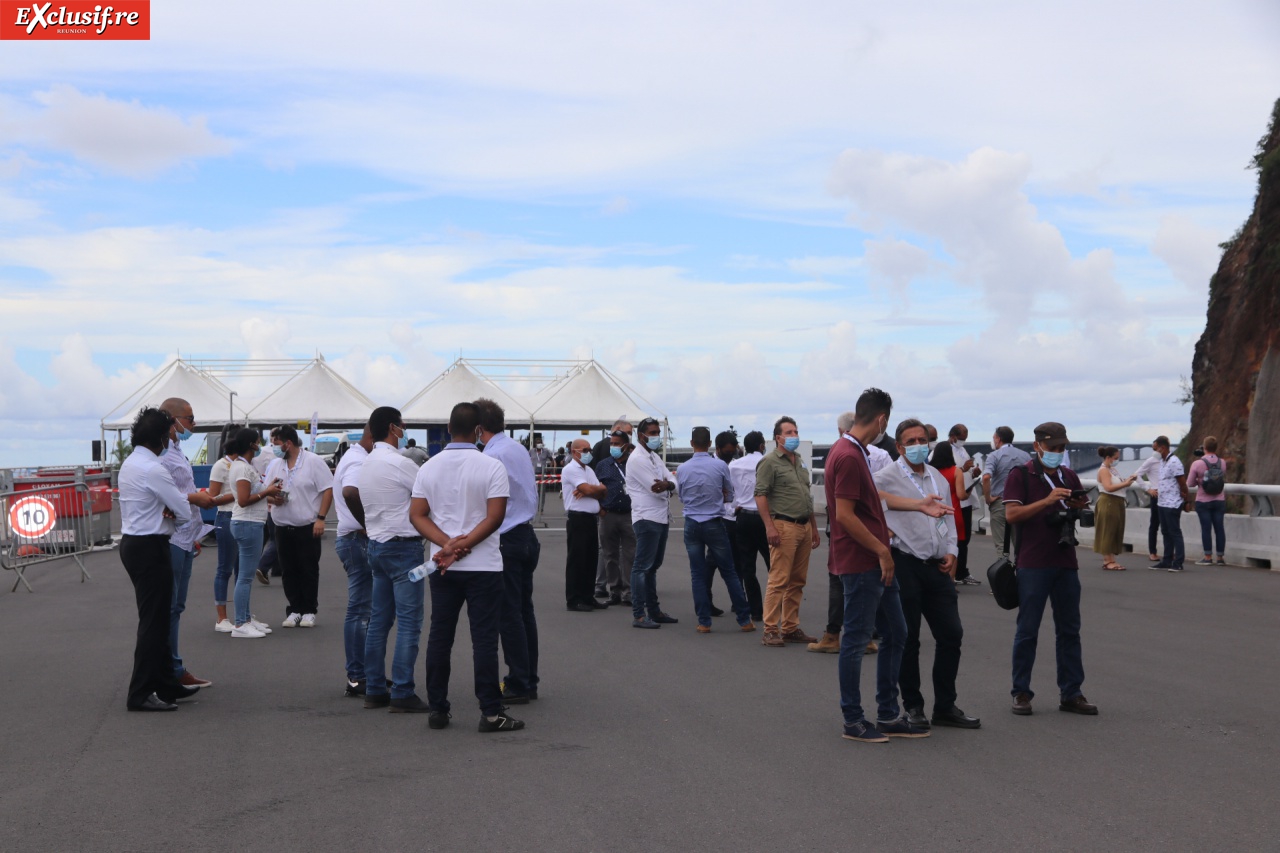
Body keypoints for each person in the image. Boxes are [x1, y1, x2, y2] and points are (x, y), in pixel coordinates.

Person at [827, 389, 931, 742]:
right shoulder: (848, 455)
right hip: (863, 561)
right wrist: (882, 551)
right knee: (856, 640)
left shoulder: (855, 451)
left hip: (875, 560)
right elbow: (845, 516)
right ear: (882, 419)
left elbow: (871, 501)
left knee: (897, 632)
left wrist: (917, 505)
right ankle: (853, 719)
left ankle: (887, 713)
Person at [415, 402, 522, 732]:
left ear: (449, 428)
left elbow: (417, 515)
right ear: (478, 430)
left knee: (439, 636)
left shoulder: (428, 467)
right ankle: (490, 712)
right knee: (484, 640)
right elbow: (495, 517)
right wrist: (463, 545)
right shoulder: (491, 466)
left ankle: (437, 709)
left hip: (443, 565)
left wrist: (447, 544)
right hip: (484, 566)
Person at [876, 418, 980, 731]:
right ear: (899, 447)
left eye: (923, 440)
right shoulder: (885, 477)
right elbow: (870, 508)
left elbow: (948, 519)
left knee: (951, 634)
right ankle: (913, 705)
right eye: (911, 441)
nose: (919, 446)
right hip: (905, 563)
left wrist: (952, 551)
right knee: (908, 639)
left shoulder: (937, 478)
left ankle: (945, 706)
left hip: (937, 566)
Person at [1003, 421, 1097, 717]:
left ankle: (1072, 692)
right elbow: (1011, 514)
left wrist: (1079, 506)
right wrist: (1047, 501)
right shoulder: (1021, 475)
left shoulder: (1069, 475)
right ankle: (1021, 692)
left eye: (1062, 447)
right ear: (1037, 446)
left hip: (1065, 561)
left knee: (1070, 630)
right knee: (1027, 630)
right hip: (1033, 562)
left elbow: (1081, 509)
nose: (1057, 451)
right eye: (1052, 447)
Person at [116, 406, 199, 711]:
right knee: (154, 623)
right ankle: (140, 692)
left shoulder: (131, 463)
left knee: (158, 618)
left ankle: (166, 683)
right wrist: (172, 516)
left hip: (134, 543)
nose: (171, 440)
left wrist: (167, 511)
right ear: (161, 438)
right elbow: (183, 511)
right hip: (151, 546)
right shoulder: (154, 468)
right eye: (168, 435)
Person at [353, 407, 428, 712]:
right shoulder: (401, 463)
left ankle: (374, 688)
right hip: (404, 548)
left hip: (377, 546)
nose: (404, 430)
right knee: (409, 623)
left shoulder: (366, 463)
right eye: (402, 425)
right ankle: (402, 690)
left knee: (379, 622)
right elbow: (428, 495)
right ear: (393, 428)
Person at [475, 398, 541, 705]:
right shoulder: (515, 448)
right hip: (524, 533)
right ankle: (528, 678)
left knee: (509, 614)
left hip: (507, 538)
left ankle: (518, 682)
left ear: (479, 428)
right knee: (524, 612)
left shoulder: (491, 456)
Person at [810, 411, 891, 655]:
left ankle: (838, 634)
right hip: (869, 526)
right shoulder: (867, 454)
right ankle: (863, 634)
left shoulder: (841, 451)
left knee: (841, 580)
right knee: (866, 586)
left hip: (850, 530)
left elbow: (846, 510)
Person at [157, 398, 217, 689]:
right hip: (172, 538)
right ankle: (171, 669)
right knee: (169, 608)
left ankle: (174, 666)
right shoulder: (161, 454)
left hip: (185, 536)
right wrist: (195, 498)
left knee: (177, 607)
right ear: (173, 420)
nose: (193, 425)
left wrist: (195, 532)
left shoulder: (176, 449)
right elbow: (163, 494)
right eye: (190, 419)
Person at [676, 427, 754, 633]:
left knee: (697, 573)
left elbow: (681, 496)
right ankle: (744, 619)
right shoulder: (720, 466)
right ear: (710, 444)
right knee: (729, 571)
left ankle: (704, 621)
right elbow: (730, 494)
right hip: (714, 521)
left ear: (692, 443)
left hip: (692, 522)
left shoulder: (683, 468)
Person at [755, 416, 821, 647]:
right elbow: (760, 494)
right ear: (778, 437)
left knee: (797, 580)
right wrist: (769, 526)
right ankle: (770, 629)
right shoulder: (769, 462)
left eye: (796, 431)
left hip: (803, 525)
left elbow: (806, 496)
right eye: (789, 432)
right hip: (783, 525)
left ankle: (790, 627)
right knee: (779, 579)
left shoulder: (799, 461)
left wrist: (814, 527)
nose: (794, 436)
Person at [264, 425, 335, 627]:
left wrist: (321, 518)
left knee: (308, 569)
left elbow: (328, 490)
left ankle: (309, 610)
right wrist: (273, 499)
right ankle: (294, 609)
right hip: (282, 525)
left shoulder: (313, 462)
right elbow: (267, 491)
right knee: (288, 570)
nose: (274, 447)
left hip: (307, 525)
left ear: (288, 443)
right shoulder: (276, 464)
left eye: (276, 443)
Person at [334, 425, 375, 696]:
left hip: (353, 538)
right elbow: (350, 492)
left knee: (364, 610)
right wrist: (368, 524)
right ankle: (357, 676)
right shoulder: (358, 460)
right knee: (360, 610)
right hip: (356, 539)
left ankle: (364, 673)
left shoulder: (355, 456)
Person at [626, 417, 678, 629]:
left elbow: (672, 482)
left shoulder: (654, 457)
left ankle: (654, 611)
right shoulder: (637, 459)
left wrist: (669, 485)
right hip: (646, 517)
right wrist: (668, 486)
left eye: (658, 432)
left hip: (661, 516)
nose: (657, 436)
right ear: (641, 436)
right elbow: (655, 489)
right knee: (642, 567)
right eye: (653, 433)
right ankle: (639, 615)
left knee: (652, 566)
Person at [229, 429, 280, 639]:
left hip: (249, 523)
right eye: (258, 442)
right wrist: (267, 492)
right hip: (247, 523)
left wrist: (269, 493)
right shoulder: (242, 468)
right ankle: (240, 623)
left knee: (246, 576)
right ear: (251, 444)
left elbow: (252, 494)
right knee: (245, 577)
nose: (260, 445)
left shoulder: (244, 466)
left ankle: (246, 618)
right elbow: (243, 500)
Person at [561, 438, 607, 612]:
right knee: (577, 560)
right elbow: (589, 489)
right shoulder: (571, 469)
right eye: (585, 450)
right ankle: (574, 599)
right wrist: (593, 490)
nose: (589, 453)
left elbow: (603, 491)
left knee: (590, 559)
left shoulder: (588, 470)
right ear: (574, 452)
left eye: (589, 450)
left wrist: (595, 490)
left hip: (590, 518)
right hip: (578, 518)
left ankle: (588, 596)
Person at [729, 430, 770, 622]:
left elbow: (729, 490)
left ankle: (755, 610)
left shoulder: (734, 465)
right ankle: (776, 605)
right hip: (764, 517)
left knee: (747, 567)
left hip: (743, 516)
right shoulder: (768, 462)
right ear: (762, 446)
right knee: (773, 564)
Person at [207, 432, 244, 633]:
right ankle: (221, 618)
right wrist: (238, 493)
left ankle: (242, 615)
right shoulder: (221, 466)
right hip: (226, 517)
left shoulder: (243, 465)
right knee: (225, 569)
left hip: (242, 516)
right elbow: (212, 497)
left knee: (242, 570)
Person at [703, 430, 743, 616]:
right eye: (727, 451)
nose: (730, 454)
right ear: (717, 449)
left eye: (733, 451)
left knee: (737, 562)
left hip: (734, 518)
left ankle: (738, 602)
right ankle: (706, 601)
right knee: (712, 563)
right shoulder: (709, 466)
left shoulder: (734, 465)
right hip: (717, 518)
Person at [593, 427, 635, 606]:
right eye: (612, 444)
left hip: (629, 514)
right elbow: (595, 488)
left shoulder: (634, 463)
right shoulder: (603, 465)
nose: (614, 447)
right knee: (609, 554)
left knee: (629, 554)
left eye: (617, 444)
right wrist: (600, 509)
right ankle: (614, 590)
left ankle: (628, 591)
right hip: (608, 514)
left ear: (626, 445)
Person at [982, 427, 1031, 562]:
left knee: (1002, 547)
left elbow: (986, 477)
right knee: (1020, 544)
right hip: (1019, 503)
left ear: (998, 439)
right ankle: (1021, 569)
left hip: (1000, 502)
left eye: (994, 438)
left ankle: (1004, 570)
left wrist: (988, 498)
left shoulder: (994, 456)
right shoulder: (1025, 456)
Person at [927, 442, 968, 583]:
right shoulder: (956, 471)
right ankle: (951, 580)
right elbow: (961, 495)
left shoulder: (930, 471)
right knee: (953, 547)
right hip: (953, 512)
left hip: (934, 511)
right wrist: (968, 494)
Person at [1151, 435, 1190, 572]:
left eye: (1155, 449)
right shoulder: (1162, 461)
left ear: (1162, 448)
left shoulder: (1174, 462)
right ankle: (1167, 560)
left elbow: (1182, 483)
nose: (1154, 452)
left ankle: (1178, 562)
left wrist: (1186, 500)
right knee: (1165, 532)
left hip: (1173, 503)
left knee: (1175, 532)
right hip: (1162, 502)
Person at [1094, 446, 1137, 571]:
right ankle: (1107, 561)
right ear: (1108, 457)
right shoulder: (1103, 470)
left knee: (1114, 530)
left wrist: (1128, 480)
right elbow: (1108, 487)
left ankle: (1111, 559)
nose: (1117, 460)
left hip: (1117, 501)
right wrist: (1126, 483)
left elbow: (1117, 484)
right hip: (1108, 501)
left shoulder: (1112, 469)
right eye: (1116, 458)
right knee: (1108, 530)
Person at [1187, 436, 1228, 566]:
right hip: (1219, 500)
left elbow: (1190, 484)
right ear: (1216, 448)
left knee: (1206, 528)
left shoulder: (1197, 463)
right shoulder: (1222, 462)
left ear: (1204, 447)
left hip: (1203, 500)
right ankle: (1220, 558)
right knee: (1219, 528)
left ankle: (1208, 556)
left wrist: (1199, 480)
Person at [945, 424, 978, 583]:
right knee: (958, 539)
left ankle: (961, 571)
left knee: (965, 538)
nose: (963, 441)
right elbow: (944, 470)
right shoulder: (945, 450)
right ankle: (958, 572)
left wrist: (973, 472)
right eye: (961, 438)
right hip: (955, 500)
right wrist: (963, 469)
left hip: (966, 499)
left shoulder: (962, 450)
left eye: (965, 439)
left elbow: (965, 470)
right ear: (953, 437)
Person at [1133, 447, 1165, 562]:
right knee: (1154, 525)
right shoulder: (1151, 461)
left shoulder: (1168, 460)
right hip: (1156, 495)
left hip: (1168, 495)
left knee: (1168, 525)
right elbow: (1136, 475)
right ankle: (1152, 552)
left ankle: (1169, 552)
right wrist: (1148, 489)